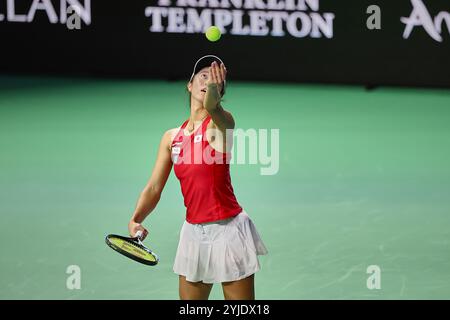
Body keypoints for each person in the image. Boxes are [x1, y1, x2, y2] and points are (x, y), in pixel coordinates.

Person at [128, 55, 268, 300]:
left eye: (215, 80)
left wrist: (214, 91)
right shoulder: (171, 137)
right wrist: (136, 218)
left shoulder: (221, 125)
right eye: (202, 76)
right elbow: (154, 188)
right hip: (193, 234)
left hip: (229, 231)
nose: (208, 81)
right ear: (189, 85)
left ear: (220, 92)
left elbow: (213, 107)